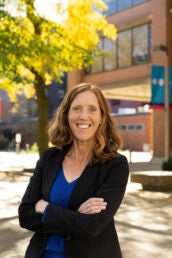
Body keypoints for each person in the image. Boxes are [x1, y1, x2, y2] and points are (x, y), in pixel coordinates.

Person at [18, 83, 129, 258]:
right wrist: (76, 217)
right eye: (77, 108)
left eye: (92, 109)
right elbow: (25, 215)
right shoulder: (49, 158)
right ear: (66, 115)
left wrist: (46, 209)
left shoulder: (116, 165)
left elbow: (93, 226)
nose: (84, 116)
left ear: (102, 117)